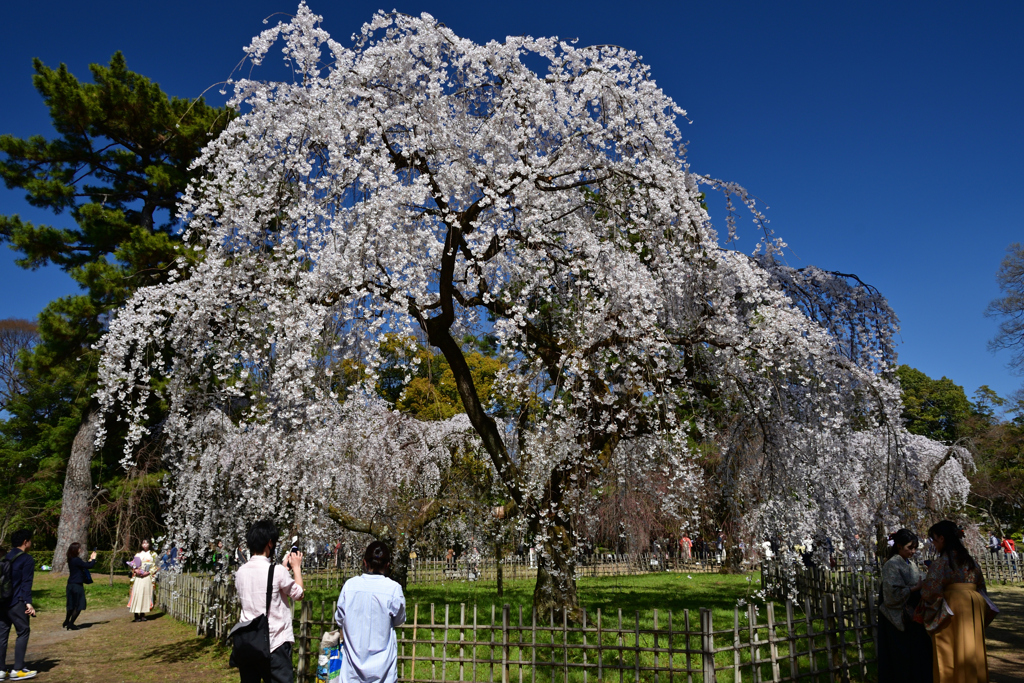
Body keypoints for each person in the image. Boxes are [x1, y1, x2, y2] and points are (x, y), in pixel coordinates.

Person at [921, 520, 991, 683]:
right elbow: (981, 586)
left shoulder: (941, 563)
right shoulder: (970, 562)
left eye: (934, 539)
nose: (933, 543)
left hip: (953, 606)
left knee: (950, 651)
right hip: (974, 603)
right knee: (973, 649)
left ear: (942, 538)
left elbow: (930, 591)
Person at [235, 520, 304, 683]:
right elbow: (299, 594)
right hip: (274, 644)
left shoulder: (240, 572)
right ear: (270, 543)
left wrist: (282, 568)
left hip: (248, 644)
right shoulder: (277, 572)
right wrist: (296, 568)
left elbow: (264, 584)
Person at [334, 541, 406, 683]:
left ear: (365, 563)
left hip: (351, 672)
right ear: (387, 565)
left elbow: (339, 619)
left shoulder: (350, 587)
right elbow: (399, 620)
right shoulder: (393, 589)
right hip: (384, 672)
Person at [876, 529, 931, 683]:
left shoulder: (910, 563)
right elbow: (891, 595)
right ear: (899, 546)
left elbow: (919, 579)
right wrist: (913, 589)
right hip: (897, 617)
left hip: (912, 615)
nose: (913, 551)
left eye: (915, 548)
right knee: (900, 657)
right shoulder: (892, 564)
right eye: (909, 548)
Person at [0, 529, 37, 680]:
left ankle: (1, 671)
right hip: (17, 602)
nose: (31, 544)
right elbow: (26, 584)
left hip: (2, 602)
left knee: (2, 634)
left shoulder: (5, 557)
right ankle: (18, 669)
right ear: (25, 542)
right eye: (30, 541)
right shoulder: (27, 559)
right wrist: (28, 603)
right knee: (23, 631)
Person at [64, 542, 97, 631]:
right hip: (77, 585)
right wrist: (93, 559)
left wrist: (90, 559)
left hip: (70, 584)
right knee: (79, 605)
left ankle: (67, 620)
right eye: (79, 548)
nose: (80, 550)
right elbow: (89, 566)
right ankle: (71, 624)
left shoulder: (71, 559)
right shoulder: (76, 560)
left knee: (71, 604)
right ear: (75, 550)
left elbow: (83, 565)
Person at [127, 539, 158, 622]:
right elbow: (134, 564)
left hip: (147, 576)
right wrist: (136, 570)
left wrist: (148, 573)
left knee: (145, 594)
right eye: (143, 543)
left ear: (149, 544)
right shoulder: (138, 554)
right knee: (137, 593)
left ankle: (143, 614)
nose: (144, 544)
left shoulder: (153, 554)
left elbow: (155, 566)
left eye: (146, 542)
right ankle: (136, 614)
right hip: (138, 577)